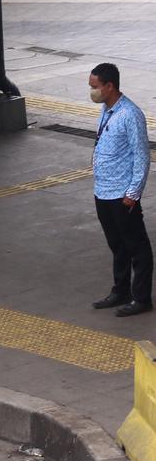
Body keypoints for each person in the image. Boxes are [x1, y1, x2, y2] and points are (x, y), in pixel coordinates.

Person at [88, 63, 152, 317]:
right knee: (117, 245)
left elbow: (142, 157)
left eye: (94, 86)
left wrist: (133, 193)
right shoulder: (106, 110)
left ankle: (141, 297)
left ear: (109, 86)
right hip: (102, 192)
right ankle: (121, 290)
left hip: (122, 195)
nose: (91, 91)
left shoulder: (130, 114)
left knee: (137, 247)